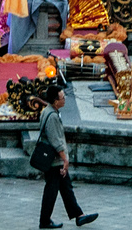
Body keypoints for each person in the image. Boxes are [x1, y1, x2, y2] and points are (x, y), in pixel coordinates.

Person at [35, 87, 97, 229]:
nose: (65, 99)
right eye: (62, 98)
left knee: (65, 187)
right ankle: (44, 221)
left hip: (54, 159)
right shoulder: (53, 117)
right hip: (55, 161)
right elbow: (56, 141)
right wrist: (65, 160)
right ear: (56, 101)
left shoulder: (48, 111)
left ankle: (79, 215)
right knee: (52, 190)